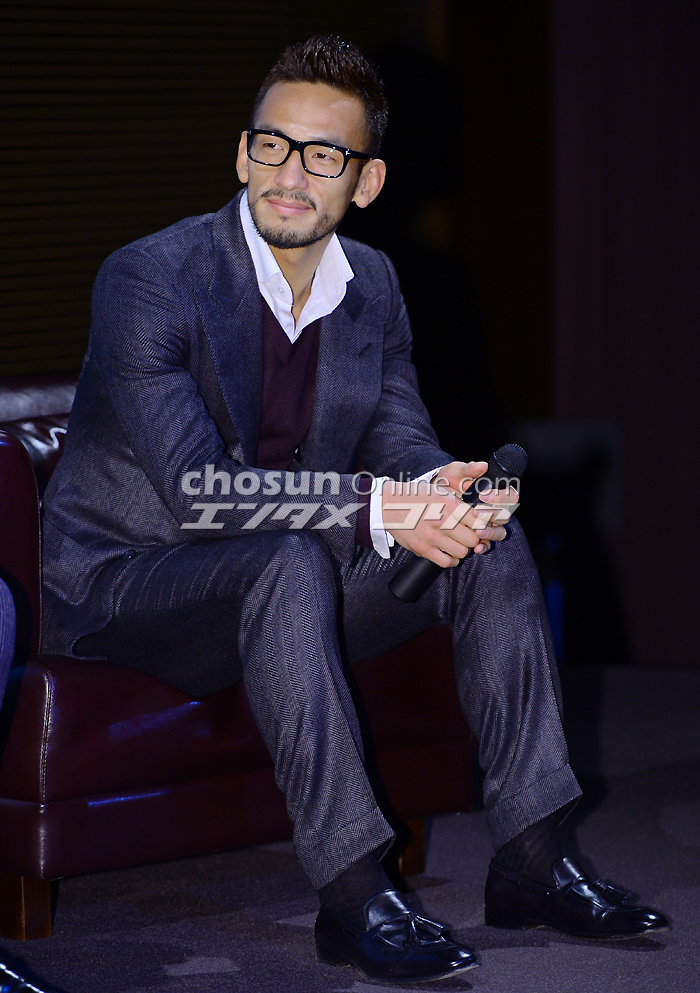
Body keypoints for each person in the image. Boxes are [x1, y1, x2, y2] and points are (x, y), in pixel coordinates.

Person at [41, 35, 668, 984]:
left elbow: (399, 438)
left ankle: (533, 854)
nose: (290, 175)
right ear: (241, 153)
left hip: (281, 575)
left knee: (485, 545)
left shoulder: (371, 285)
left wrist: (443, 490)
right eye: (272, 145)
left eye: (324, 155)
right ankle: (352, 890)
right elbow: (198, 491)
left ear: (367, 182)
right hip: (127, 584)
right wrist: (383, 504)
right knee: (288, 560)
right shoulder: (150, 277)